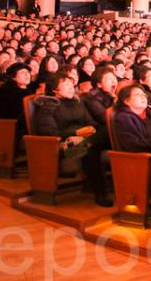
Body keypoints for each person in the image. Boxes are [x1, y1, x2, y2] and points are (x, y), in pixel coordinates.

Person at [34, 74, 111, 206]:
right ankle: (100, 193)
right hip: (64, 146)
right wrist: (76, 132)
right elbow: (50, 133)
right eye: (66, 84)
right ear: (54, 90)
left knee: (107, 130)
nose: (71, 87)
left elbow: (92, 123)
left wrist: (89, 131)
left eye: (71, 84)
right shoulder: (48, 107)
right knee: (91, 148)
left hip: (86, 140)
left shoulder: (77, 103)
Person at [113, 84, 151, 175]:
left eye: (144, 95)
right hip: (150, 161)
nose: (143, 97)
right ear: (126, 101)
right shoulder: (123, 119)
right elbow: (134, 145)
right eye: (138, 95)